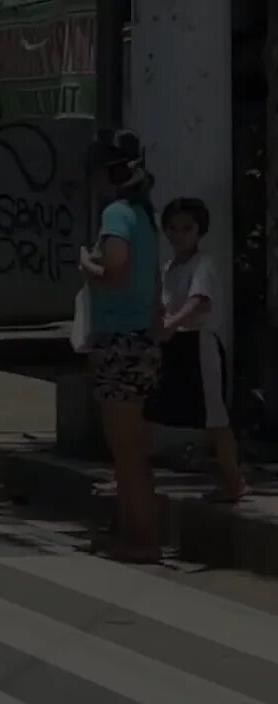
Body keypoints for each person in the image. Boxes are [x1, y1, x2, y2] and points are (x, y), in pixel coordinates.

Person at [78, 129, 163, 563]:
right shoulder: (145, 217)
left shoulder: (116, 215)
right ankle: (132, 532)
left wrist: (86, 264)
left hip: (119, 340)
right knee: (132, 447)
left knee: (125, 450)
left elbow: (115, 271)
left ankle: (142, 538)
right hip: (142, 341)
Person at [144, 198, 247, 502]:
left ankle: (234, 479)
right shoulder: (169, 267)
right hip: (173, 345)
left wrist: (171, 323)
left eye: (186, 228)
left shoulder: (203, 264)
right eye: (173, 228)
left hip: (198, 344)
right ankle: (132, 474)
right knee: (149, 411)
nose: (179, 235)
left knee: (214, 417)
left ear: (199, 230)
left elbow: (199, 301)